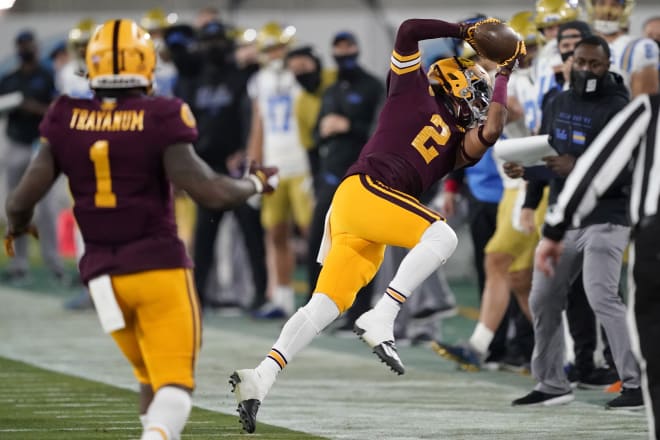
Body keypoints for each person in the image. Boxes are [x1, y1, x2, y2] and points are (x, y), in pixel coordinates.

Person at [229, 17, 524, 433]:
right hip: (366, 190)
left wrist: (504, 75)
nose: (480, 102)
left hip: (365, 210)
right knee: (441, 234)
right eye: (476, 90)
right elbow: (407, 30)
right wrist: (462, 31)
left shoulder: (460, 143)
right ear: (455, 83)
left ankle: (261, 376)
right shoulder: (411, 89)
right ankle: (382, 315)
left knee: (323, 306)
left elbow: (493, 129)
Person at [3, 19, 278, 440]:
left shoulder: (63, 115)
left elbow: (19, 202)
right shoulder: (162, 114)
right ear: (146, 65)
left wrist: (19, 227)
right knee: (175, 382)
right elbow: (210, 192)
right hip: (158, 269)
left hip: (101, 278)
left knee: (150, 375)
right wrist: (256, 183)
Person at [508, 35, 642, 409]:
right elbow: (551, 159)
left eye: (594, 64)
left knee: (601, 294)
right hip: (565, 218)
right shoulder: (559, 101)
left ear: (608, 65)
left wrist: (577, 166)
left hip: (608, 217)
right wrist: (527, 170)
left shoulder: (621, 109)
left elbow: (629, 170)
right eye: (579, 62)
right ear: (570, 63)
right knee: (542, 297)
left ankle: (636, 383)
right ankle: (552, 383)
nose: (585, 69)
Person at [536, 92, 660, 438]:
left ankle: (632, 381)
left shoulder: (649, 107)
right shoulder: (562, 102)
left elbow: (597, 168)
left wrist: (555, 228)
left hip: (645, 231)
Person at [433, 10, 544, 372]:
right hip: (510, 185)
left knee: (516, 270)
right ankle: (549, 351)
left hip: (529, 185)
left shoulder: (519, 80)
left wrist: (483, 93)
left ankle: (542, 350)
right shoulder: (501, 78)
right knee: (514, 275)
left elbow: (508, 116)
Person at [305, 31, 384, 332]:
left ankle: (358, 312)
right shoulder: (331, 90)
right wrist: (323, 130)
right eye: (338, 47)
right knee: (319, 243)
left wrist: (348, 125)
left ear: (357, 48)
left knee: (359, 245)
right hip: (330, 177)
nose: (344, 52)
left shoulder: (373, 86)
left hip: (361, 177)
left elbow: (379, 132)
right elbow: (314, 135)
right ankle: (315, 308)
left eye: (348, 46)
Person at [247, 22, 314, 319]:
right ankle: (283, 297)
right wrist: (254, 167)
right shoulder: (259, 80)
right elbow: (258, 125)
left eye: (280, 48)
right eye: (271, 49)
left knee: (312, 233)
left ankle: (322, 297)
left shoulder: (301, 76)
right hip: (274, 166)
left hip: (301, 164)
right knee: (275, 232)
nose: (276, 54)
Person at [0, 30, 63, 284]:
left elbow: (57, 108)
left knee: (47, 208)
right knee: (16, 206)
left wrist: (31, 107)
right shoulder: (10, 78)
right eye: (23, 44)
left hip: (41, 146)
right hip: (16, 143)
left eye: (30, 44)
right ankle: (18, 262)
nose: (27, 48)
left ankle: (53, 261)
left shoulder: (46, 75)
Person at [585, 0, 659, 97]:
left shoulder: (641, 46)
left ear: (625, 9)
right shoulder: (579, 44)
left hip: (622, 110)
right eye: (601, 3)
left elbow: (645, 104)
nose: (607, 11)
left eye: (614, 5)